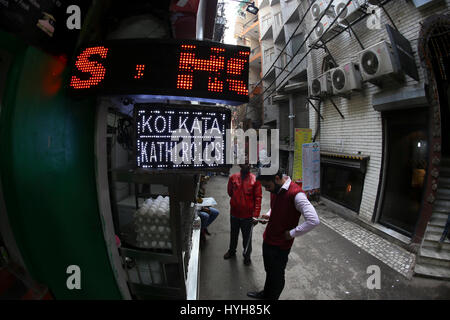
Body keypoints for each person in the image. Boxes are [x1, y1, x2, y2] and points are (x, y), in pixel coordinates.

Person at [247, 169, 320, 300]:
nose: (267, 190)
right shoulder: (276, 188)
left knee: (277, 276)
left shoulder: (296, 195)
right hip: (269, 238)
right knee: (270, 272)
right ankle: (266, 293)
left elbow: (314, 220)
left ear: (276, 178)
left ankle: (271, 297)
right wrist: (269, 215)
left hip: (280, 245)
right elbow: (277, 206)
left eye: (267, 186)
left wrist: (292, 233)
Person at [225, 163, 262, 266]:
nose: (248, 165)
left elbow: (258, 198)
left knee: (247, 238)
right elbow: (230, 192)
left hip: (248, 216)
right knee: (233, 234)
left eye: (249, 163)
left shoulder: (255, 180)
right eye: (245, 163)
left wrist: (256, 215)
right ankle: (232, 251)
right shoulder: (233, 178)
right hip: (234, 213)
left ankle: (247, 256)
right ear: (241, 165)